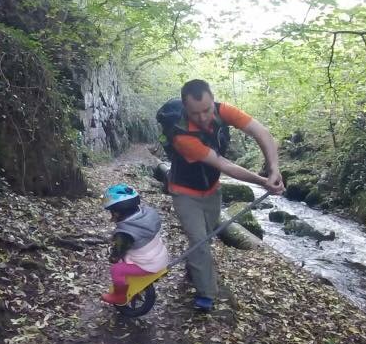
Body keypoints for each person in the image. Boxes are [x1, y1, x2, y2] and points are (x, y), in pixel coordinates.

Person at [158, 79, 284, 311]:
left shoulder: (223, 110)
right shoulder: (181, 136)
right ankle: (206, 294)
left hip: (212, 190)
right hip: (184, 193)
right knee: (199, 241)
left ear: (213, 101)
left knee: (205, 236)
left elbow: (261, 132)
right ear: (185, 108)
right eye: (195, 113)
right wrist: (263, 182)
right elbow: (224, 165)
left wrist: (273, 168)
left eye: (207, 110)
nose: (203, 117)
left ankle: (194, 268)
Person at [101, 184, 170, 305]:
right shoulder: (149, 214)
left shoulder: (125, 233)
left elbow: (116, 255)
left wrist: (113, 256)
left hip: (150, 265)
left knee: (117, 269)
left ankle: (120, 296)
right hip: (161, 256)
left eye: (112, 212)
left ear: (116, 212)